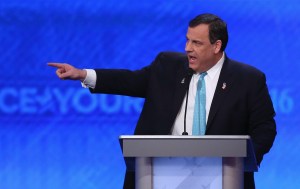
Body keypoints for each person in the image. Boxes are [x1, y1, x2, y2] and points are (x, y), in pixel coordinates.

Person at [48, 13, 277, 189]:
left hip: (219, 177)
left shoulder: (248, 79)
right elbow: (131, 81)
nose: (188, 48)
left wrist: (241, 161)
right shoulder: (168, 65)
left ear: (217, 46)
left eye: (197, 43)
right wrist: (84, 74)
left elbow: (265, 128)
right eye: (187, 40)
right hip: (161, 173)